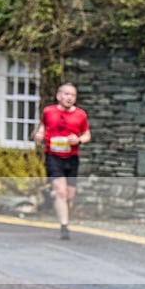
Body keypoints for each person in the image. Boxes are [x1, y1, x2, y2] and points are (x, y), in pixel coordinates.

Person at [34, 83, 91, 240]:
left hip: (71, 158)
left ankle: (53, 195)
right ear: (59, 96)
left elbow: (87, 135)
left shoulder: (81, 115)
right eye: (66, 94)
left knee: (70, 196)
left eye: (72, 95)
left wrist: (78, 139)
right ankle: (64, 227)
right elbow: (42, 128)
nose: (69, 97)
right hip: (53, 156)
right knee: (62, 192)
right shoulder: (48, 111)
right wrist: (38, 136)